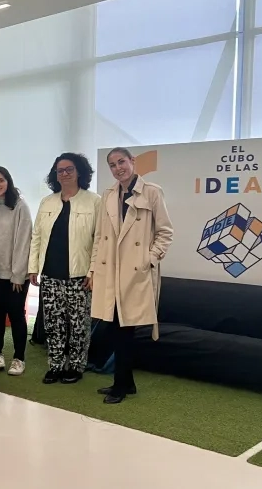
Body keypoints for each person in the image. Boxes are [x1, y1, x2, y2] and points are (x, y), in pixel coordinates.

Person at [89, 147, 173, 404]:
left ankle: (120, 385)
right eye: (113, 165)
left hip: (134, 273)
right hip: (110, 271)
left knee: (124, 329)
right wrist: (93, 269)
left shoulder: (152, 193)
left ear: (132, 161)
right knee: (116, 328)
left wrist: (149, 258)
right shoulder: (108, 195)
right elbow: (99, 237)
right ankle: (127, 383)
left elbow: (165, 232)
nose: (118, 168)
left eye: (121, 162)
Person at [29, 153, 100, 385]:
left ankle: (77, 366)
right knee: (53, 323)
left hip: (80, 276)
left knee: (79, 324)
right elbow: (37, 237)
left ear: (80, 172)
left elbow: (99, 240)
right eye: (60, 170)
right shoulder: (47, 202)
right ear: (55, 175)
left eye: (69, 169)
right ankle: (56, 365)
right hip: (50, 274)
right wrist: (33, 267)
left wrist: (92, 272)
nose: (65, 174)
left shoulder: (94, 201)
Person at [0, 167, 33, 376]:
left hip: (15, 276)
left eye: (0, 180)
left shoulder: (20, 206)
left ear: (8, 181)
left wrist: (18, 274)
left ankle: (19, 357)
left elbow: (24, 241)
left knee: (16, 316)